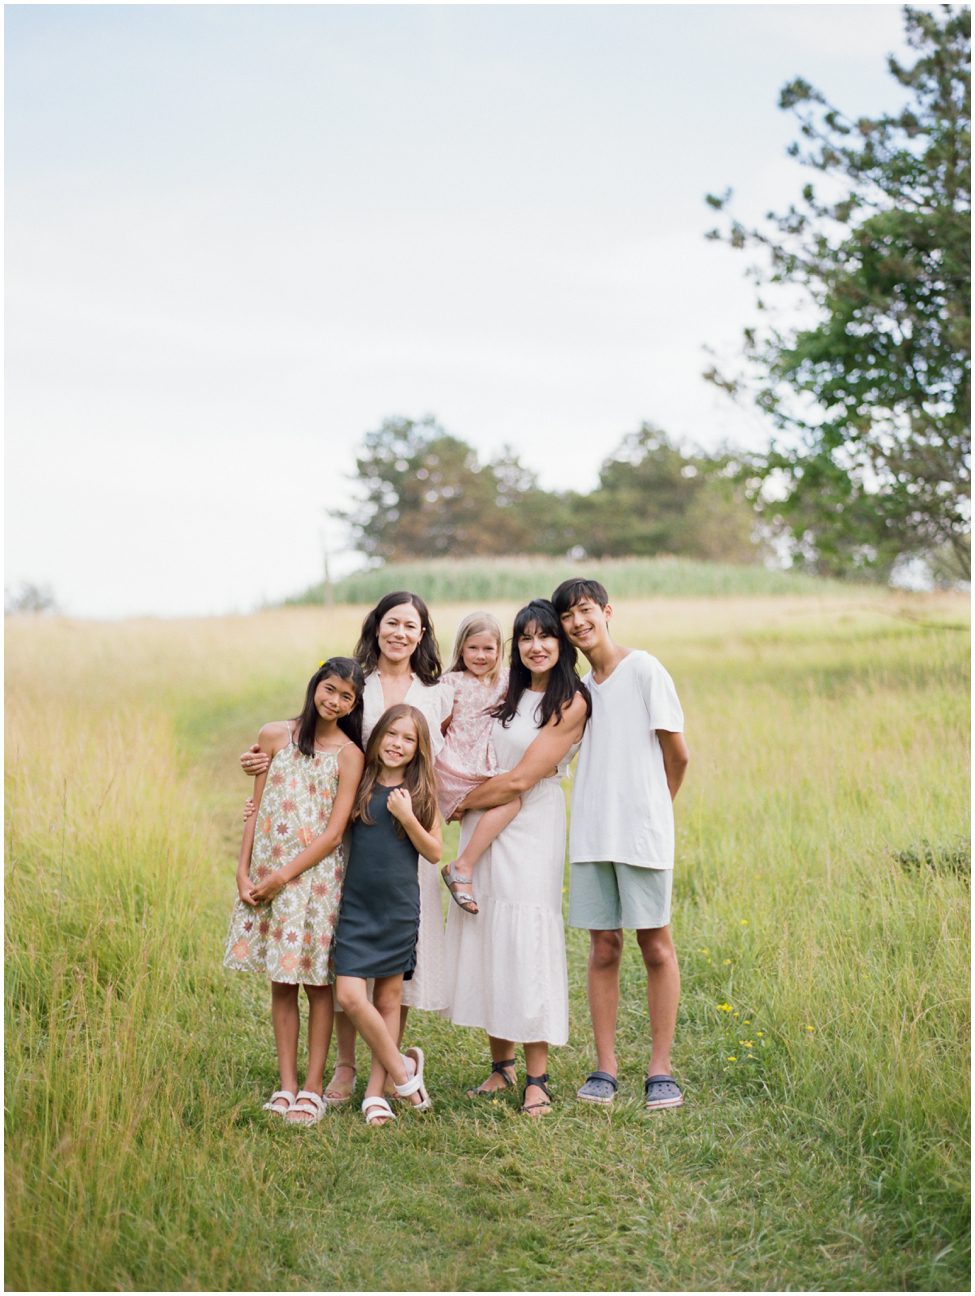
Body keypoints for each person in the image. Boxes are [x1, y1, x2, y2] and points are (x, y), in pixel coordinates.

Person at [240, 591, 451, 1105]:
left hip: (401, 836)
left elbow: (456, 736)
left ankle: (386, 1077)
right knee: (337, 966)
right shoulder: (356, 680)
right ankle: (345, 1068)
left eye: (411, 625)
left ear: (422, 634)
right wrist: (260, 774)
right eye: (391, 623)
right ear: (376, 626)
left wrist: (476, 795)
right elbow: (310, 740)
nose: (400, 633)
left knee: (389, 979)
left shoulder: (438, 690)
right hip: (348, 833)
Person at [443, 599, 590, 1117]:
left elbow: (525, 778)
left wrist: (458, 803)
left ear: (561, 642)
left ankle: (537, 1077)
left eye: (545, 636)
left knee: (526, 935)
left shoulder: (570, 700)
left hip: (529, 822)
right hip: (484, 820)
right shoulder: (504, 691)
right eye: (525, 637)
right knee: (490, 934)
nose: (536, 646)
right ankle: (500, 1067)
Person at [551, 578, 689, 1112]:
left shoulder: (644, 670)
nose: (577, 623)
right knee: (603, 946)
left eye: (585, 611)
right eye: (568, 617)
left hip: (641, 834)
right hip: (591, 834)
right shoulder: (582, 689)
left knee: (655, 945)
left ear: (607, 612)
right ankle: (605, 1067)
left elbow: (678, 755)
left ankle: (661, 1069)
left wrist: (655, 810)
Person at [224, 658, 366, 1124]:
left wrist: (286, 875)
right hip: (267, 875)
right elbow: (257, 808)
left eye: (347, 697)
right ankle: (285, 1085)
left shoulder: (349, 754)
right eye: (330, 690)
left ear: (354, 704)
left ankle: (312, 1088)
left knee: (316, 984)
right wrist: (243, 871)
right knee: (281, 982)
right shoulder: (273, 736)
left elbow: (333, 833)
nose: (335, 701)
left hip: (316, 881)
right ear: (315, 686)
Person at [333, 705, 443, 1126]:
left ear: (418, 749)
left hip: (397, 910)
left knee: (388, 1000)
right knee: (348, 996)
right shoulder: (359, 782)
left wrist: (407, 816)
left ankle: (376, 1094)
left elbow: (434, 852)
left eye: (408, 739)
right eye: (391, 735)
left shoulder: (419, 792)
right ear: (377, 737)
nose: (397, 744)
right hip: (356, 907)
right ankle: (404, 1072)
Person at [436, 611, 521, 915]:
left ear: (500, 650)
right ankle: (462, 867)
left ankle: (462, 865)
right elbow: (440, 726)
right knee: (511, 801)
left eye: (489, 649)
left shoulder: (507, 679)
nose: (481, 656)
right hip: (455, 764)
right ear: (461, 648)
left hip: (483, 765)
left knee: (511, 802)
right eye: (473, 648)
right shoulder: (451, 682)